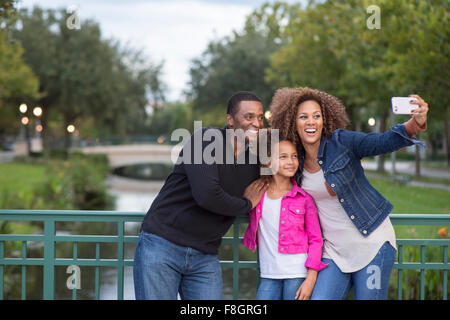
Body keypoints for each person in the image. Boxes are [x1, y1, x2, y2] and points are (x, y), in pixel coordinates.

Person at [269, 87, 428, 300]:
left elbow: (380, 142)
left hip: (372, 244)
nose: (311, 122)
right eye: (303, 116)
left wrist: (414, 124)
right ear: (292, 122)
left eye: (317, 116)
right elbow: (269, 173)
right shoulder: (294, 161)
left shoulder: (341, 142)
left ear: (324, 120)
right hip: (333, 253)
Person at [133, 91, 267, 300]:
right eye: (248, 117)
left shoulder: (255, 158)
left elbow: (281, 179)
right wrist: (246, 204)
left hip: (205, 255)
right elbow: (207, 195)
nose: (257, 123)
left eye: (260, 117)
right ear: (230, 120)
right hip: (162, 244)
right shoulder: (205, 139)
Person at [243, 132, 327, 300]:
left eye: (294, 156)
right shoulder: (257, 194)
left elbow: (316, 240)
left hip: (297, 274)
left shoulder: (304, 199)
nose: (291, 161)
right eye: (283, 157)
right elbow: (239, 203)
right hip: (268, 274)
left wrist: (311, 277)